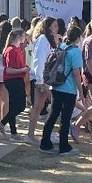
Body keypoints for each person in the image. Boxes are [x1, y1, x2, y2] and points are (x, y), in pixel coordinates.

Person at [39, 26, 83, 156]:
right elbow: (76, 73)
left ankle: (45, 142)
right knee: (66, 118)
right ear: (78, 38)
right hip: (68, 88)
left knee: (53, 115)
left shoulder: (61, 47)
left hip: (56, 86)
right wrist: (81, 90)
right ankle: (64, 146)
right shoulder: (75, 51)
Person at [26, 17, 58, 145]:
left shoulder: (49, 40)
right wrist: (39, 80)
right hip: (42, 79)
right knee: (54, 105)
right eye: (55, 26)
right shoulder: (42, 40)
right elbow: (39, 60)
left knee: (38, 107)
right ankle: (46, 133)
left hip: (47, 78)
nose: (57, 28)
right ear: (48, 27)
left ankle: (32, 134)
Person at [0, 28, 29, 138]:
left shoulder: (16, 49)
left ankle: (13, 131)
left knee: (13, 105)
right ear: (19, 37)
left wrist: (23, 68)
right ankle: (2, 122)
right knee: (20, 105)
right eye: (23, 36)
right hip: (13, 80)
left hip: (16, 79)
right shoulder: (11, 50)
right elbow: (8, 69)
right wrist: (22, 70)